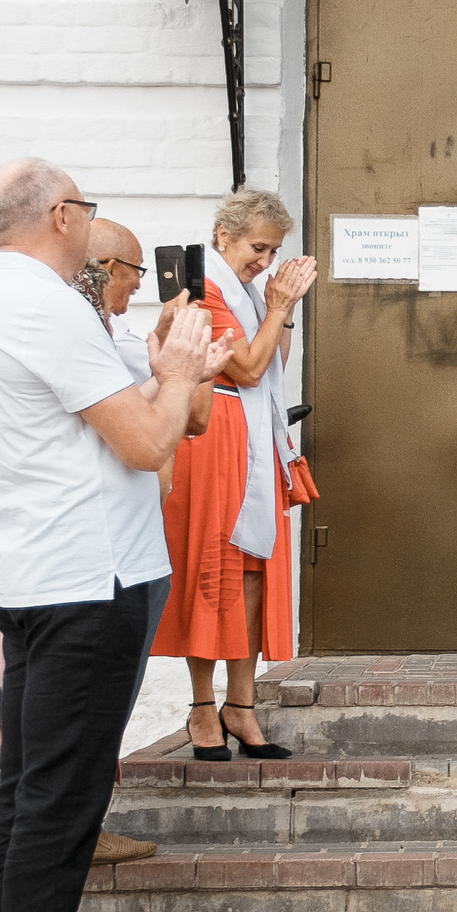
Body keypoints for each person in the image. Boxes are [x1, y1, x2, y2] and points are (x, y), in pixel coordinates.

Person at [0, 157, 225, 912]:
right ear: (63, 215)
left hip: (40, 577)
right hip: (85, 583)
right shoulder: (45, 307)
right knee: (59, 807)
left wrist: (167, 378)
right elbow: (151, 442)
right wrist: (181, 371)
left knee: (26, 797)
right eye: (88, 209)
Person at [152, 190, 317, 759]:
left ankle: (240, 705)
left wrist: (282, 311)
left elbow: (275, 362)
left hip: (251, 436)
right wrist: (276, 307)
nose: (265, 262)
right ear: (223, 236)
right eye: (257, 247)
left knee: (252, 568)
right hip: (212, 433)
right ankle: (203, 705)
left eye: (273, 251)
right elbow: (245, 369)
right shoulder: (202, 289)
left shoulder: (247, 290)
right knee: (210, 568)